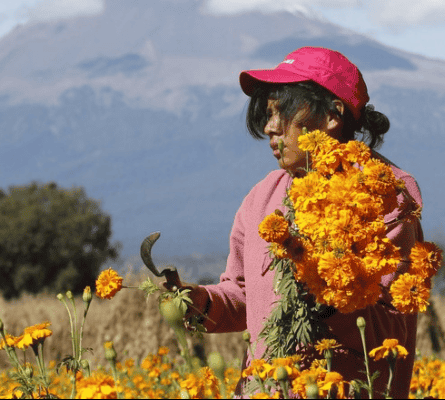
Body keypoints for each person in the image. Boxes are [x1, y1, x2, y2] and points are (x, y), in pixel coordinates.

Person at [181, 46, 424, 398]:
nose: (269, 128)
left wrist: (328, 290)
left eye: (282, 113)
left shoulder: (385, 194)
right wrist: (198, 302)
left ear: (331, 115)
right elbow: (246, 296)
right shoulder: (261, 198)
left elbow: (391, 327)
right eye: (266, 115)